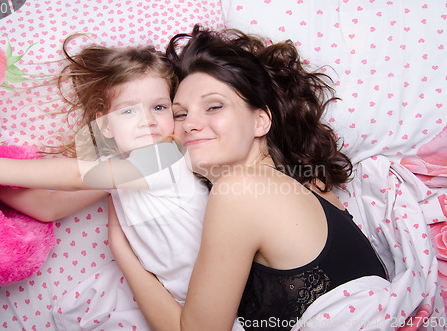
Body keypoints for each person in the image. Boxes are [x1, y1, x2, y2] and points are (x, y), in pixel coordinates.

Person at [0, 34, 245, 330]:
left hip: (222, 303)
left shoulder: (167, 157)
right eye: (129, 111)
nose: (148, 120)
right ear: (105, 124)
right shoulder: (117, 171)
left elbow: (76, 176)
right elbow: (49, 207)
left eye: (159, 107)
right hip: (176, 303)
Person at [107, 25, 389, 331]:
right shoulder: (307, 184)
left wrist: (122, 249)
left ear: (260, 121)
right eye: (179, 114)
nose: (191, 124)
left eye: (213, 106)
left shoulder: (239, 189)